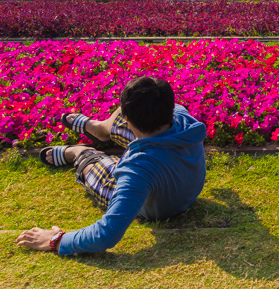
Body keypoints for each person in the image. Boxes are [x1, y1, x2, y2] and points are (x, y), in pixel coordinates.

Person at [16, 77, 206, 256]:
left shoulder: (136, 170)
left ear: (127, 120)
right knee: (145, 111)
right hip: (183, 182)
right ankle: (100, 129)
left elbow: (106, 234)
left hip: (160, 205)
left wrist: (56, 240)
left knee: (102, 171)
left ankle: (81, 153)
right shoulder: (183, 117)